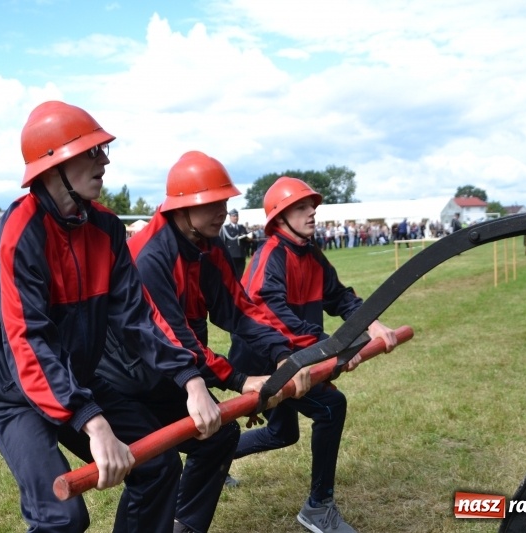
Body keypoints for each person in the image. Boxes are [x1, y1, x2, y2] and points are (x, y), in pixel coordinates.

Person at [0, 100, 221, 533]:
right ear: (53, 166)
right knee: (62, 518)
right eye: (90, 152)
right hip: (9, 391)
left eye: (101, 150)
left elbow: (138, 317)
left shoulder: (105, 227)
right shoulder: (17, 236)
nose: (104, 160)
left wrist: (190, 380)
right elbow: (28, 344)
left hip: (73, 375)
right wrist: (93, 421)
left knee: (156, 468)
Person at [98, 151, 308, 533]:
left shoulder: (206, 246)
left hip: (171, 374)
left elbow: (240, 310)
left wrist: (282, 355)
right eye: (211, 204)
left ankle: (184, 527)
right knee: (156, 469)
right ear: (182, 207)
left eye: (224, 202)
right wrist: (239, 379)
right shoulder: (150, 256)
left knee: (218, 434)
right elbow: (174, 337)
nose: (222, 211)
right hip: (124, 381)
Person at [229, 177, 398, 533]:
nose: (312, 213)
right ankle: (318, 507)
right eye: (302, 208)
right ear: (279, 217)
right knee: (331, 407)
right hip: (266, 361)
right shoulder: (271, 255)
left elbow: (341, 298)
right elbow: (269, 312)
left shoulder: (313, 254)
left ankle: (211, 458)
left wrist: (374, 325)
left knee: (282, 434)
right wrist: (328, 347)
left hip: (298, 354)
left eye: (313, 207)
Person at [221, 208, 250, 280]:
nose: (236, 217)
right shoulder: (226, 228)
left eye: (237, 216)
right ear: (230, 217)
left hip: (241, 254)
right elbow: (223, 242)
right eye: (234, 216)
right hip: (231, 254)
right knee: (232, 274)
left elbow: (246, 239)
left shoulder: (242, 227)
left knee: (240, 274)